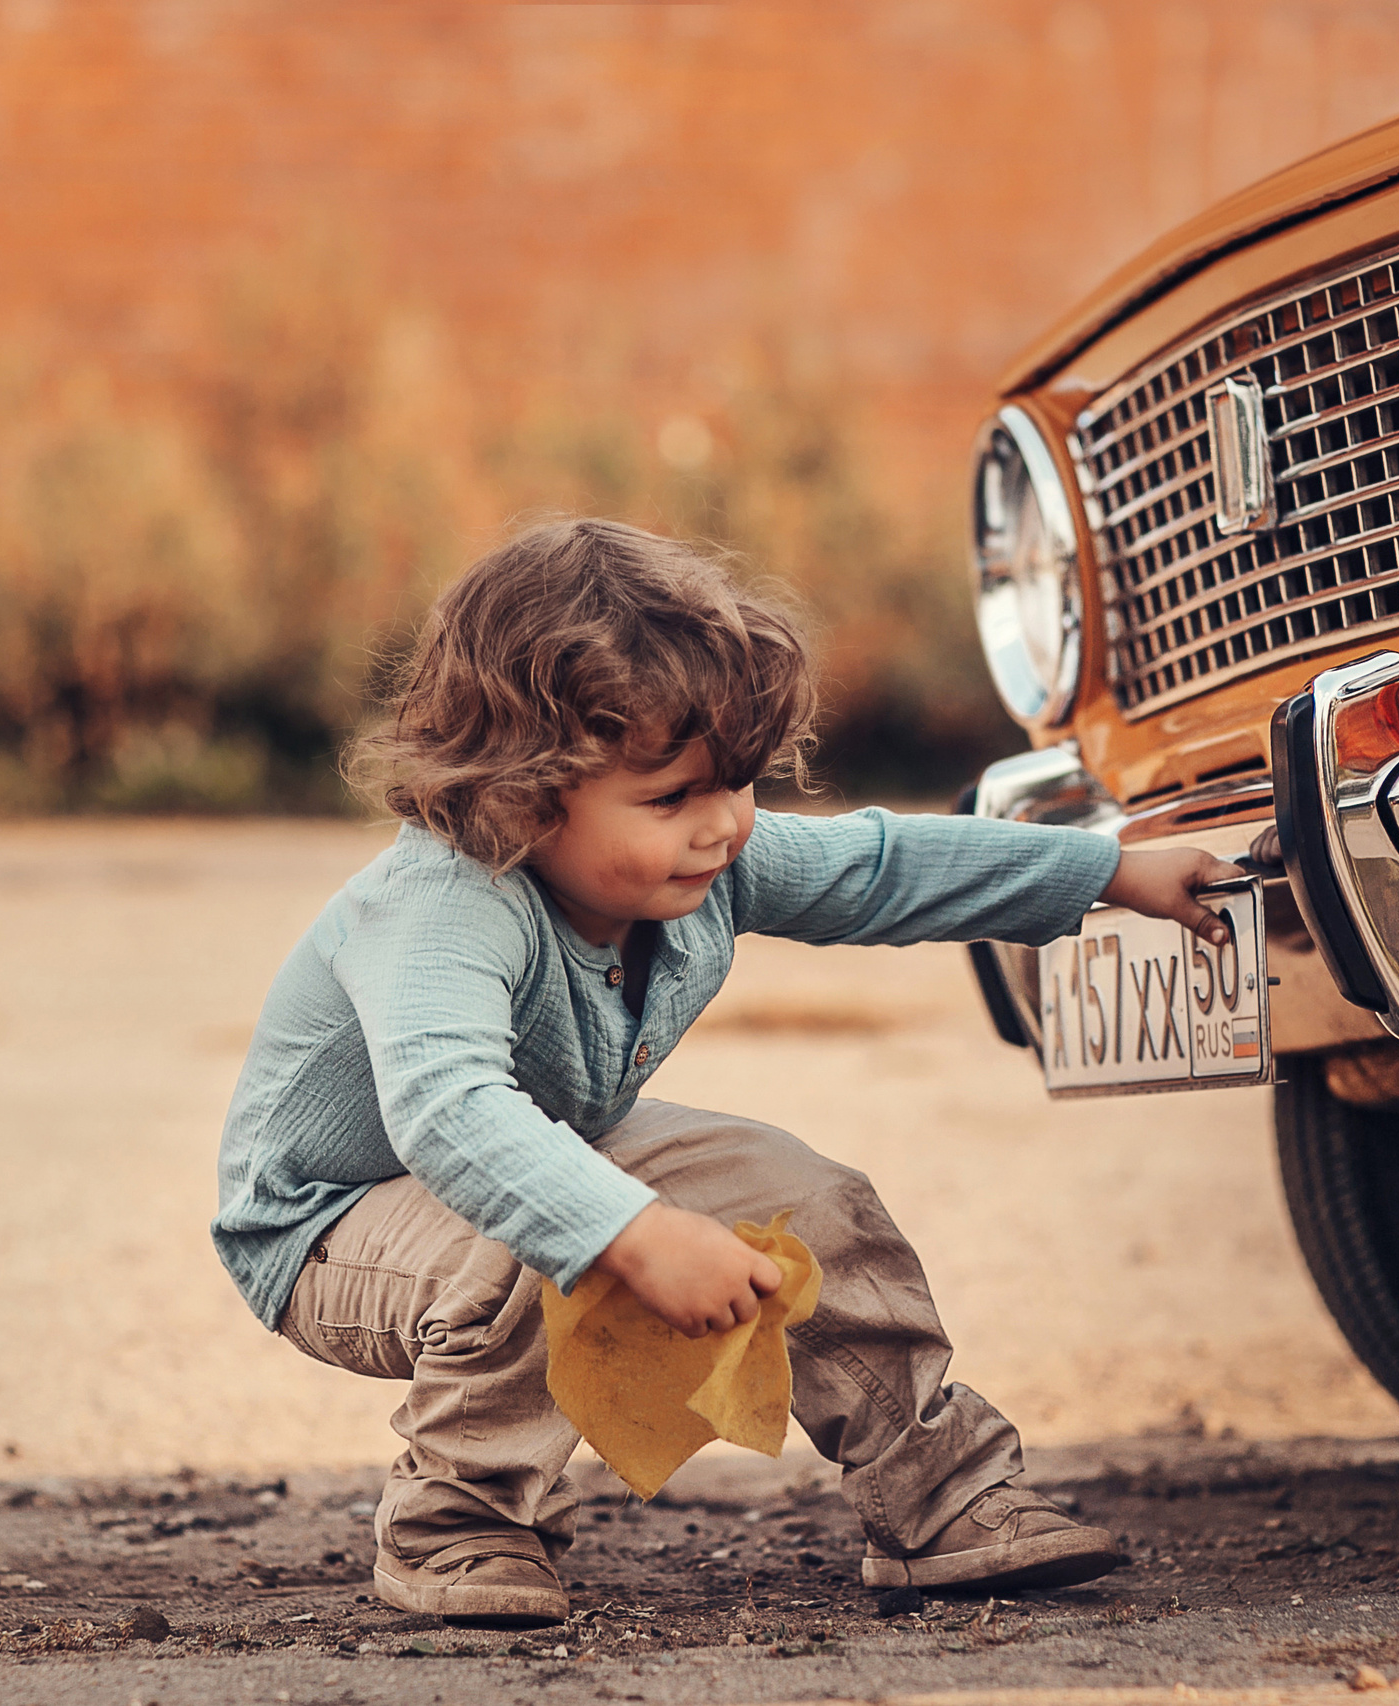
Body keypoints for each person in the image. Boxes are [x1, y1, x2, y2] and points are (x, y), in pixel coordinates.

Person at [212, 518, 1244, 1628]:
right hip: (327, 1225)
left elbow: (883, 866)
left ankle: (939, 1497)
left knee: (804, 1194)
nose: (721, 827)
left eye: (737, 782)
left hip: (553, 1149)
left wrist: (1110, 871)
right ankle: (459, 1517)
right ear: (519, 787)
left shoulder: (711, 860)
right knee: (538, 1230)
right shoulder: (442, 904)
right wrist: (636, 1232)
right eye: (669, 798)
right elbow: (450, 1111)